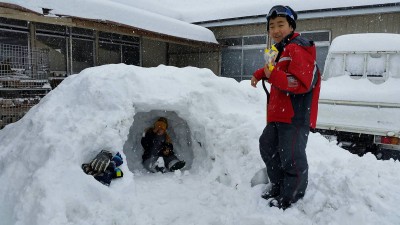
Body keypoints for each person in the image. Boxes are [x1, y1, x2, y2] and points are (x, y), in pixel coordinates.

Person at [251, 5, 321, 210]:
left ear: (291, 26)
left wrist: (272, 75)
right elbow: (275, 70)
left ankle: (291, 194)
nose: (275, 30)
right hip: (279, 115)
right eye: (271, 26)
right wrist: (260, 73)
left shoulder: (298, 48)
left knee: (291, 156)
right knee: (268, 146)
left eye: (280, 24)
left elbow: (300, 83)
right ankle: (279, 185)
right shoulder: (281, 50)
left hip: (294, 116)